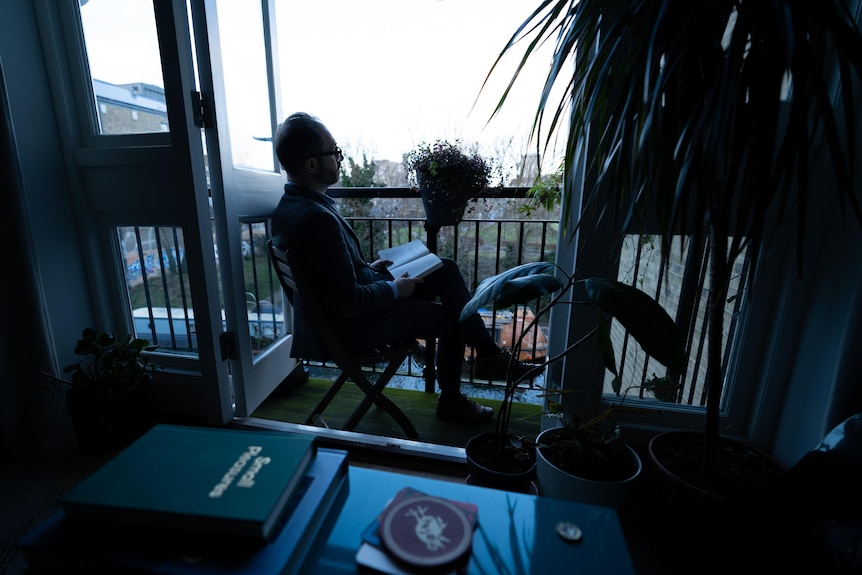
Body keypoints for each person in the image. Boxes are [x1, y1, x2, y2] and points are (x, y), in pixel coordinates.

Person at [270, 112, 533, 422]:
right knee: (454, 320)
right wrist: (394, 289)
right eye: (334, 152)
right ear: (311, 165)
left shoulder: (291, 208)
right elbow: (347, 302)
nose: (340, 158)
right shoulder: (317, 219)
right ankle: (457, 395)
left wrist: (368, 267)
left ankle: (489, 354)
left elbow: (327, 279)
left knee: (443, 268)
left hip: (340, 317)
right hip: (354, 327)